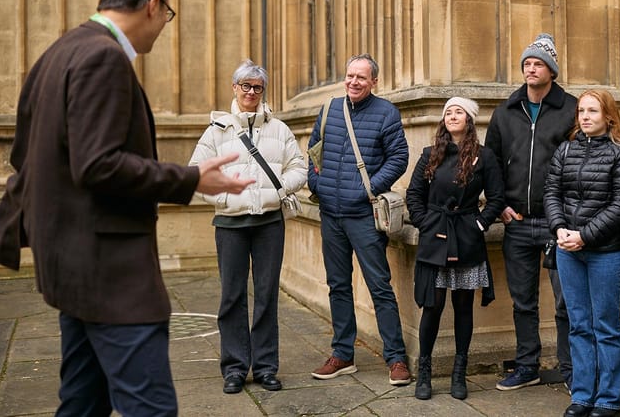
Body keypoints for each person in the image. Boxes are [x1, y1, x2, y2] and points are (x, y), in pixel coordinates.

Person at [0, 0, 254, 416]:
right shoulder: (103, 57)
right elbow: (97, 164)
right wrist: (191, 178)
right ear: (152, 5)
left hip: (71, 264)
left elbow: (24, 154)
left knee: (83, 404)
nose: (164, 27)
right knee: (151, 409)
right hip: (111, 274)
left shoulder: (59, 51)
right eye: (167, 16)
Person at [188, 60, 307, 395]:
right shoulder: (216, 131)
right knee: (232, 296)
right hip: (230, 223)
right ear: (234, 88)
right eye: (246, 86)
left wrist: (280, 189)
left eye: (258, 87)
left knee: (267, 296)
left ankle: (267, 367)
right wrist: (227, 194)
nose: (252, 92)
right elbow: (195, 173)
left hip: (269, 222)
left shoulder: (279, 129)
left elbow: (298, 165)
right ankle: (235, 369)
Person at [307, 53, 412, 386]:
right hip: (330, 215)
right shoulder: (328, 110)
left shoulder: (387, 113)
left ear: (374, 82)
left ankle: (396, 359)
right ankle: (342, 355)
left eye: (361, 78)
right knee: (338, 286)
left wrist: (368, 190)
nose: (354, 82)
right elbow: (314, 150)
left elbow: (399, 158)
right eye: (350, 76)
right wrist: (316, 183)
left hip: (365, 217)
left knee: (379, 287)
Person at [485, 33, 578, 391]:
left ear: (552, 70)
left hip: (560, 224)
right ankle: (527, 366)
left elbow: (582, 161)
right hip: (518, 222)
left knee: (566, 304)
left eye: (538, 63)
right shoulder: (505, 112)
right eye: (526, 63)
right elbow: (490, 163)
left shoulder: (571, 109)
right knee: (523, 302)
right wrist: (500, 206)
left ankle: (571, 370)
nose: (530, 68)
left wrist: (570, 213)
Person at [544, 89, 620, 417]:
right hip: (567, 250)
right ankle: (583, 395)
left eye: (593, 111)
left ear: (608, 117)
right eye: (582, 111)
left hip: (605, 253)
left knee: (605, 325)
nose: (585, 117)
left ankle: (608, 399)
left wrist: (584, 236)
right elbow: (551, 192)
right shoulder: (565, 150)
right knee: (579, 324)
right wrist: (559, 229)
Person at [405, 97, 505, 401]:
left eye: (458, 111)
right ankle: (424, 371)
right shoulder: (429, 155)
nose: (452, 115)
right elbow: (413, 195)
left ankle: (459, 373)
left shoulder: (484, 157)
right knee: (432, 307)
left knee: (463, 307)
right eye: (448, 112)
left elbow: (498, 198)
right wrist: (425, 223)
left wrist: (478, 225)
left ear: (470, 120)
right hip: (435, 237)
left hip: (466, 238)